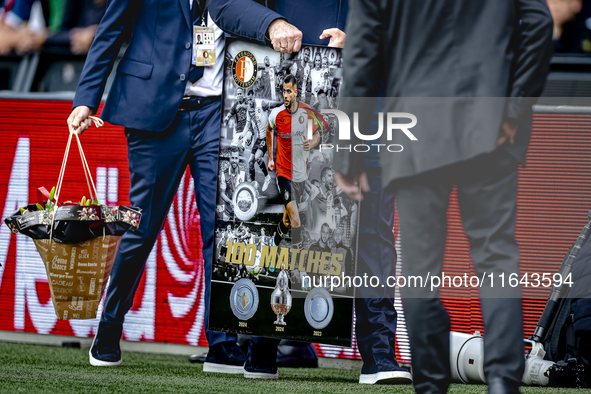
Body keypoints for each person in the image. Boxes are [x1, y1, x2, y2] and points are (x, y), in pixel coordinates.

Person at [65, 0, 311, 374]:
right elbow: (109, 32)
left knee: (222, 231)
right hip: (153, 112)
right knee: (141, 228)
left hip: (218, 113)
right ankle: (109, 328)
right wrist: (86, 99)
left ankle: (222, 344)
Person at [334, 0, 553, 392]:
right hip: (491, 120)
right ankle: (503, 381)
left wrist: (349, 152)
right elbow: (539, 22)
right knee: (496, 255)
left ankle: (432, 385)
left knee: (421, 269)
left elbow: (363, 53)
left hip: (417, 123)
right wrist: (514, 107)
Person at [267, 73, 320, 250]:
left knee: (287, 220)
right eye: (283, 91)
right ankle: (300, 265)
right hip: (283, 174)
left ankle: (272, 244)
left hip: (299, 176)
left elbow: (317, 135)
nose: (286, 95)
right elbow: (269, 129)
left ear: (296, 92)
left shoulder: (305, 115)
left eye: (289, 91)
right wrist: (270, 158)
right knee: (295, 218)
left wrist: (312, 142)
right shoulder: (277, 115)